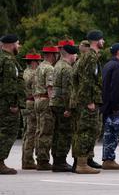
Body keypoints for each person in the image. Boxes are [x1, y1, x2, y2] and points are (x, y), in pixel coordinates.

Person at [71, 30, 104, 175]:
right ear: (97, 41)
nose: (104, 42)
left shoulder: (87, 56)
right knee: (86, 131)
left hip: (84, 99)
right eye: (102, 40)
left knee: (84, 130)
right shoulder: (91, 57)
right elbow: (87, 80)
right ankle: (82, 164)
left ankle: (80, 162)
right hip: (87, 101)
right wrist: (89, 101)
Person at [101, 43, 119, 170]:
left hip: (106, 103)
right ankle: (109, 159)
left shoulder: (107, 65)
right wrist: (117, 106)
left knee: (108, 132)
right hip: (113, 105)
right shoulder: (118, 66)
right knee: (112, 133)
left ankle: (107, 158)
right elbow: (117, 87)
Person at [50, 40, 77, 172]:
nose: (76, 57)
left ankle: (56, 159)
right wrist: (69, 108)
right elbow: (67, 90)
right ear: (71, 55)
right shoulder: (66, 68)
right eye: (75, 55)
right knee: (64, 133)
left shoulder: (57, 65)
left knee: (56, 132)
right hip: (62, 104)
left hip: (55, 103)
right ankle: (60, 161)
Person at [0, 34, 24, 175]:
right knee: (7, 131)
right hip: (7, 104)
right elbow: (10, 85)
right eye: (18, 43)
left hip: (3, 102)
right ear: (11, 45)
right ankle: (0, 162)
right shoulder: (8, 61)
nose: (19, 46)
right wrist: (13, 103)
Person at [34, 42, 59, 170]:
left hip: (37, 100)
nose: (57, 56)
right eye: (56, 54)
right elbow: (50, 88)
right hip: (45, 100)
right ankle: (43, 160)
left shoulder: (39, 67)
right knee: (46, 131)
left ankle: (39, 156)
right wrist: (53, 103)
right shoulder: (49, 68)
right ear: (51, 55)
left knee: (39, 130)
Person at [21, 50, 42, 170]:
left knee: (27, 132)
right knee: (32, 133)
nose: (39, 63)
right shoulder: (33, 74)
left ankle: (26, 159)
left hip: (26, 103)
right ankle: (28, 160)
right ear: (34, 62)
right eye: (38, 61)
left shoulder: (25, 72)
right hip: (31, 102)